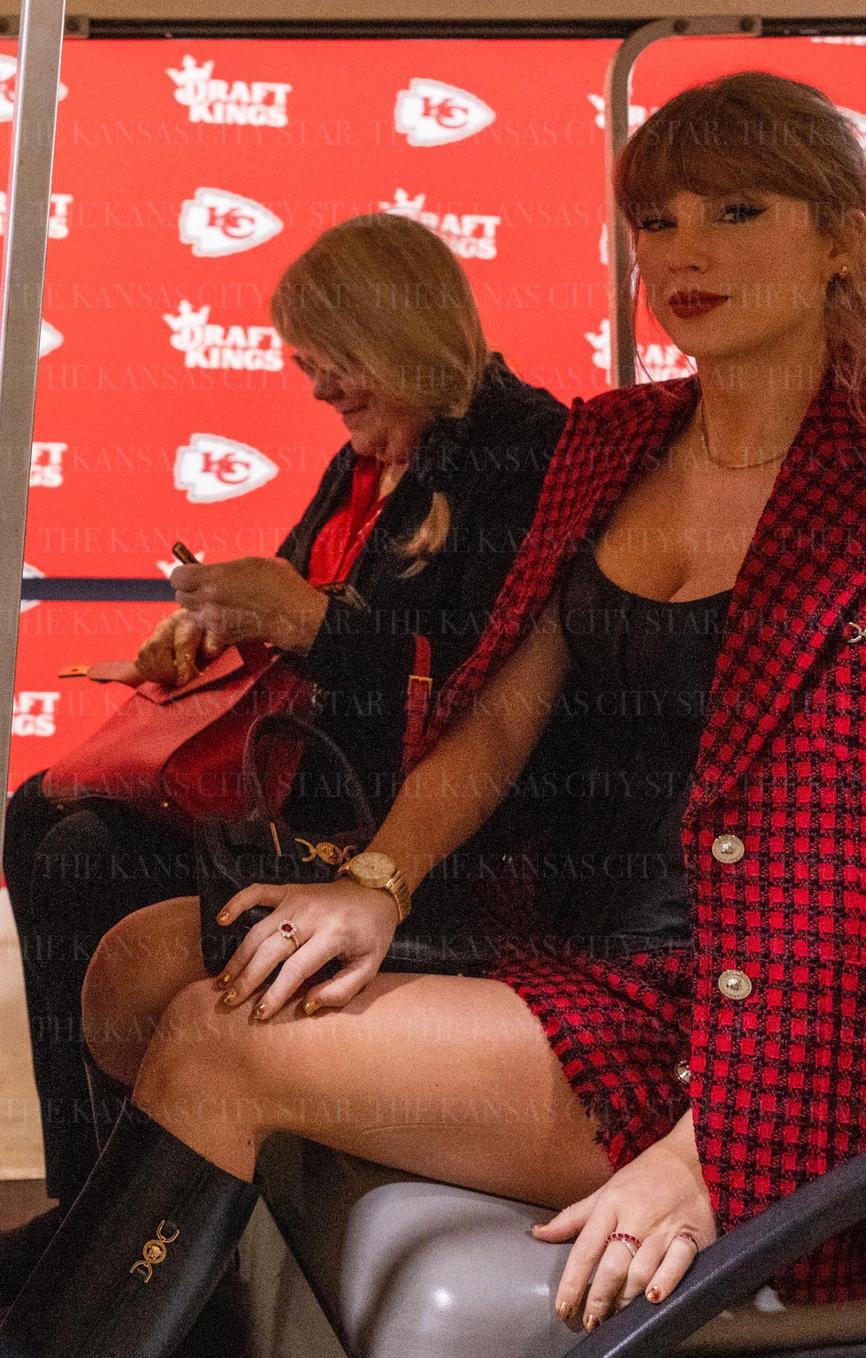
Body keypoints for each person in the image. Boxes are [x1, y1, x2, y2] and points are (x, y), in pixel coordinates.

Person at [0, 71, 866, 1357]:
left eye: (736, 210)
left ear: (841, 237)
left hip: (763, 1034)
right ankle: (162, 1305)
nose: (684, 253)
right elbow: (497, 719)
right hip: (577, 956)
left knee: (229, 1041)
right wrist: (378, 878)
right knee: (135, 967)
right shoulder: (613, 442)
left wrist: (719, 1141)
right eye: (656, 221)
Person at [0, 212, 567, 1293]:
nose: (318, 389)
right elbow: (317, 628)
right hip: (314, 792)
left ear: (395, 328)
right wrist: (215, 632)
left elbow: (486, 689)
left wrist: (303, 616)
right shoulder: (375, 459)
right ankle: (95, 1207)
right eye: (309, 364)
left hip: (412, 838)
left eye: (331, 359)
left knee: (84, 855)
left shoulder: (522, 450)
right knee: (41, 812)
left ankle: (138, 1242)